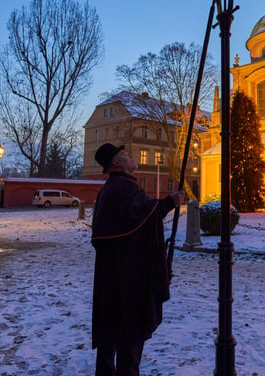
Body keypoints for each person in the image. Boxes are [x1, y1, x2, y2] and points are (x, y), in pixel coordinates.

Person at [91, 142, 186, 376]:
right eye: (124, 154)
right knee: (128, 334)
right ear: (116, 163)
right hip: (128, 279)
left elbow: (136, 219)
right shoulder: (122, 188)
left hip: (114, 277)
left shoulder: (111, 189)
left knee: (112, 333)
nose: (130, 156)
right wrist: (170, 202)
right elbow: (142, 215)